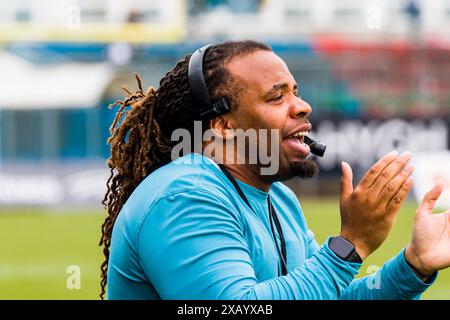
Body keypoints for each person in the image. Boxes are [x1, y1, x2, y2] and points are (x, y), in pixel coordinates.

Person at [99, 40, 450, 300]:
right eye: (276, 97)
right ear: (223, 126)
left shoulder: (279, 199)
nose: (303, 106)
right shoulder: (185, 194)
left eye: (295, 92)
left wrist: (413, 265)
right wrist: (350, 244)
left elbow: (328, 294)